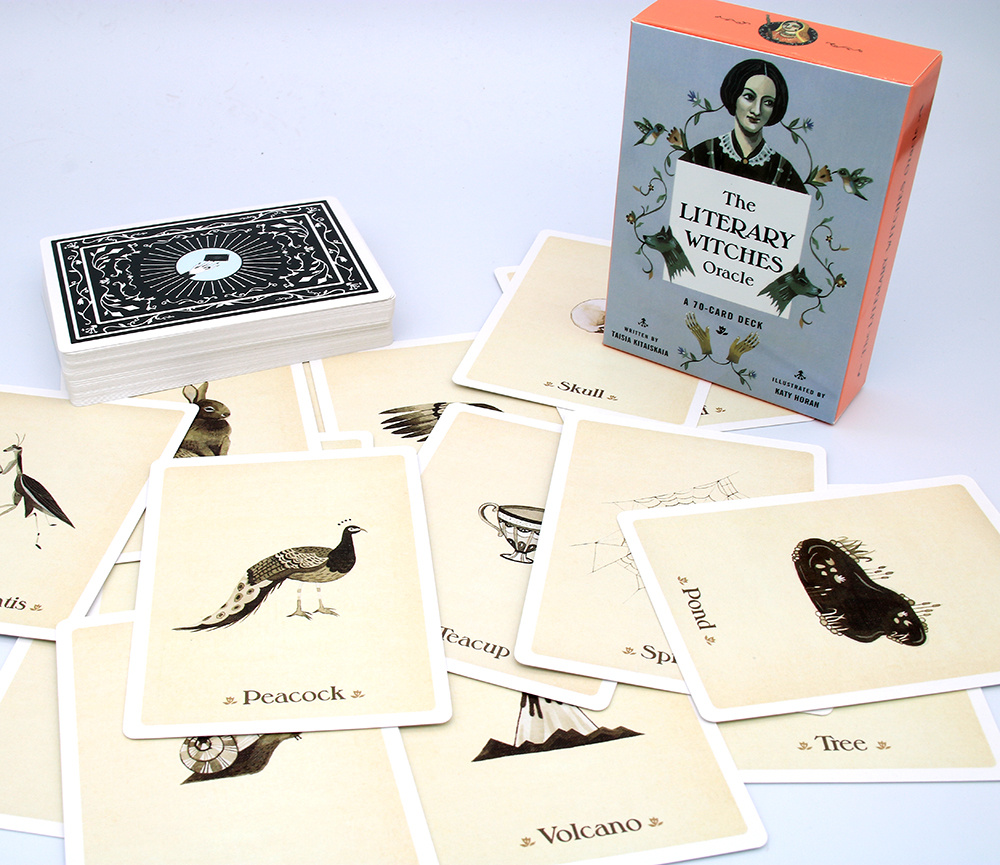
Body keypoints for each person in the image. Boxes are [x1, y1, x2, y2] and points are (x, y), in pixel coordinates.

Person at [680, 58, 806, 193]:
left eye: (768, 103)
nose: (757, 111)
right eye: (749, 97)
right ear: (734, 96)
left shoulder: (784, 171)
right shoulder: (702, 153)